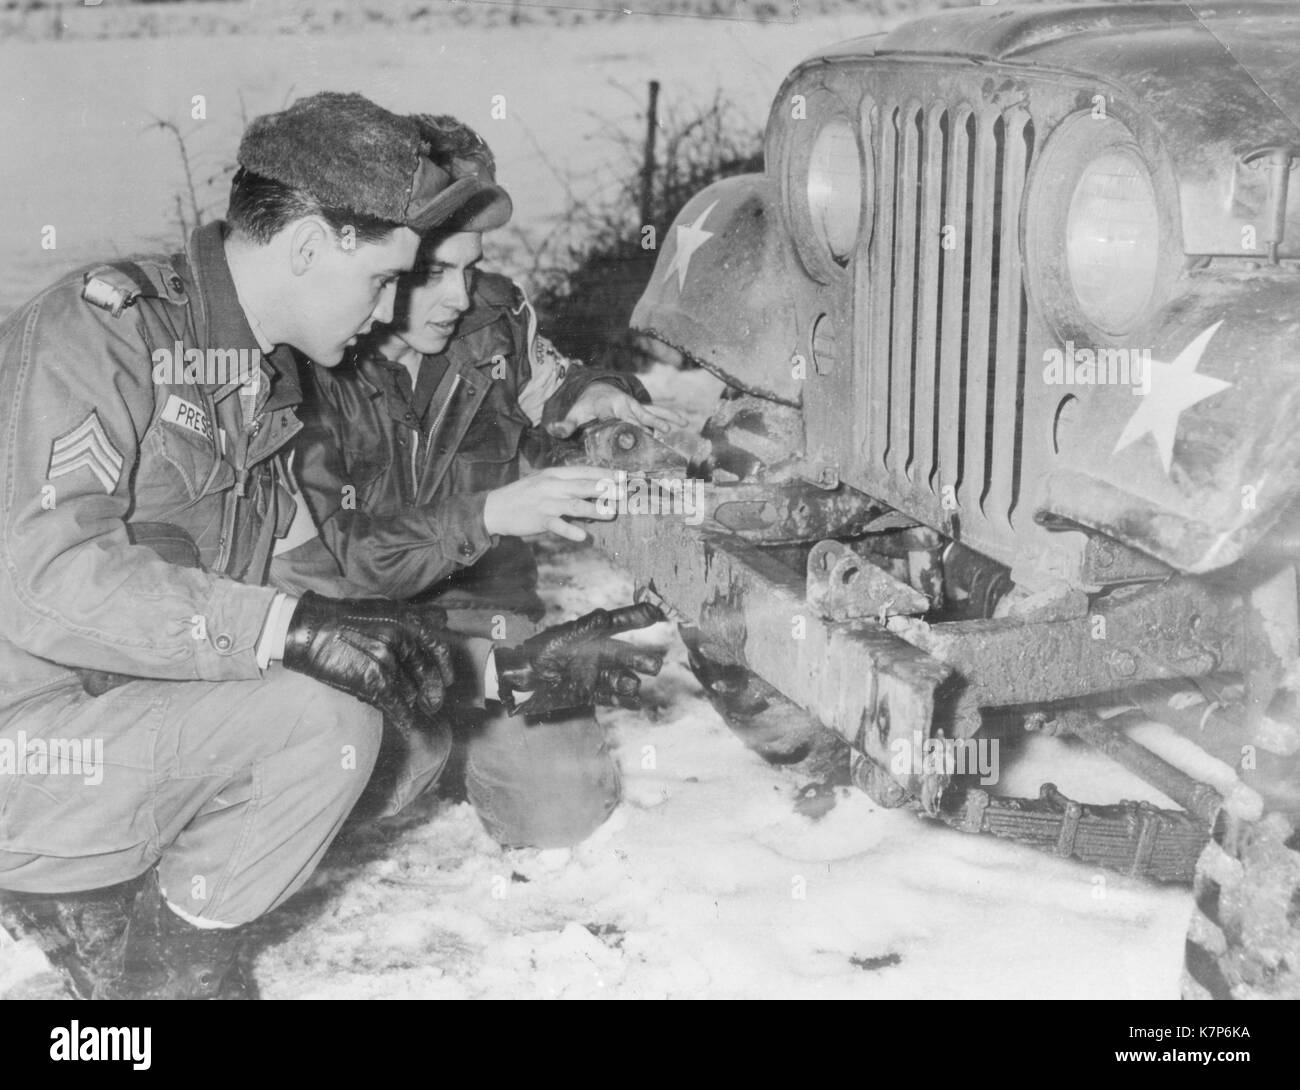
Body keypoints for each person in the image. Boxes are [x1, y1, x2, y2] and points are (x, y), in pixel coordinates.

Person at [0, 92, 661, 1001]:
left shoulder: (258, 378)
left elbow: (322, 589)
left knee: (380, 723)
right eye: (386, 279)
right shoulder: (103, 330)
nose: (397, 307)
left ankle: (170, 952)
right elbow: (43, 579)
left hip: (117, 719)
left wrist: (491, 672)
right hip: (32, 738)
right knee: (326, 723)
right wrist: (289, 630)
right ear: (309, 247)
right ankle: (84, 902)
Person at [273, 114, 684, 849]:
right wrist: (494, 512)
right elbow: (341, 562)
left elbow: (553, 386)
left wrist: (595, 399)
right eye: (433, 273)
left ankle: (468, 724)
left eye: (471, 267)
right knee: (362, 778)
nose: (461, 296)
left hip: (481, 623)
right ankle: (429, 740)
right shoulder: (303, 355)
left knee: (564, 816)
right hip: (357, 629)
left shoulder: (492, 316)